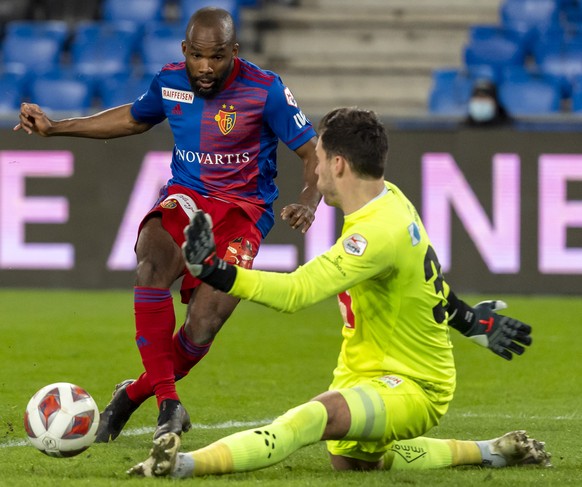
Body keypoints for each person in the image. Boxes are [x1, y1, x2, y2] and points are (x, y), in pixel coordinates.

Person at [128, 107, 549, 478]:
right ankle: (490, 450)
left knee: (316, 415)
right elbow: (427, 284)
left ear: (340, 165)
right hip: (362, 369)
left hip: (413, 385)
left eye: (321, 160)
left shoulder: (375, 234)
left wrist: (217, 272)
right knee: (353, 462)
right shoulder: (390, 200)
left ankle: (183, 464)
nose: (315, 170)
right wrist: (471, 320)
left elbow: (298, 290)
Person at [13, 7, 322, 441]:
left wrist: (309, 199)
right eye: (197, 56)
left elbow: (312, 153)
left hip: (243, 214)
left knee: (202, 327)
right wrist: (57, 127)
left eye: (217, 57)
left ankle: (131, 396)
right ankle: (168, 405)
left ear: (234, 51)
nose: (206, 68)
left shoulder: (265, 89)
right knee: (150, 265)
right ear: (184, 51)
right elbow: (133, 118)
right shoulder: (171, 81)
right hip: (187, 198)